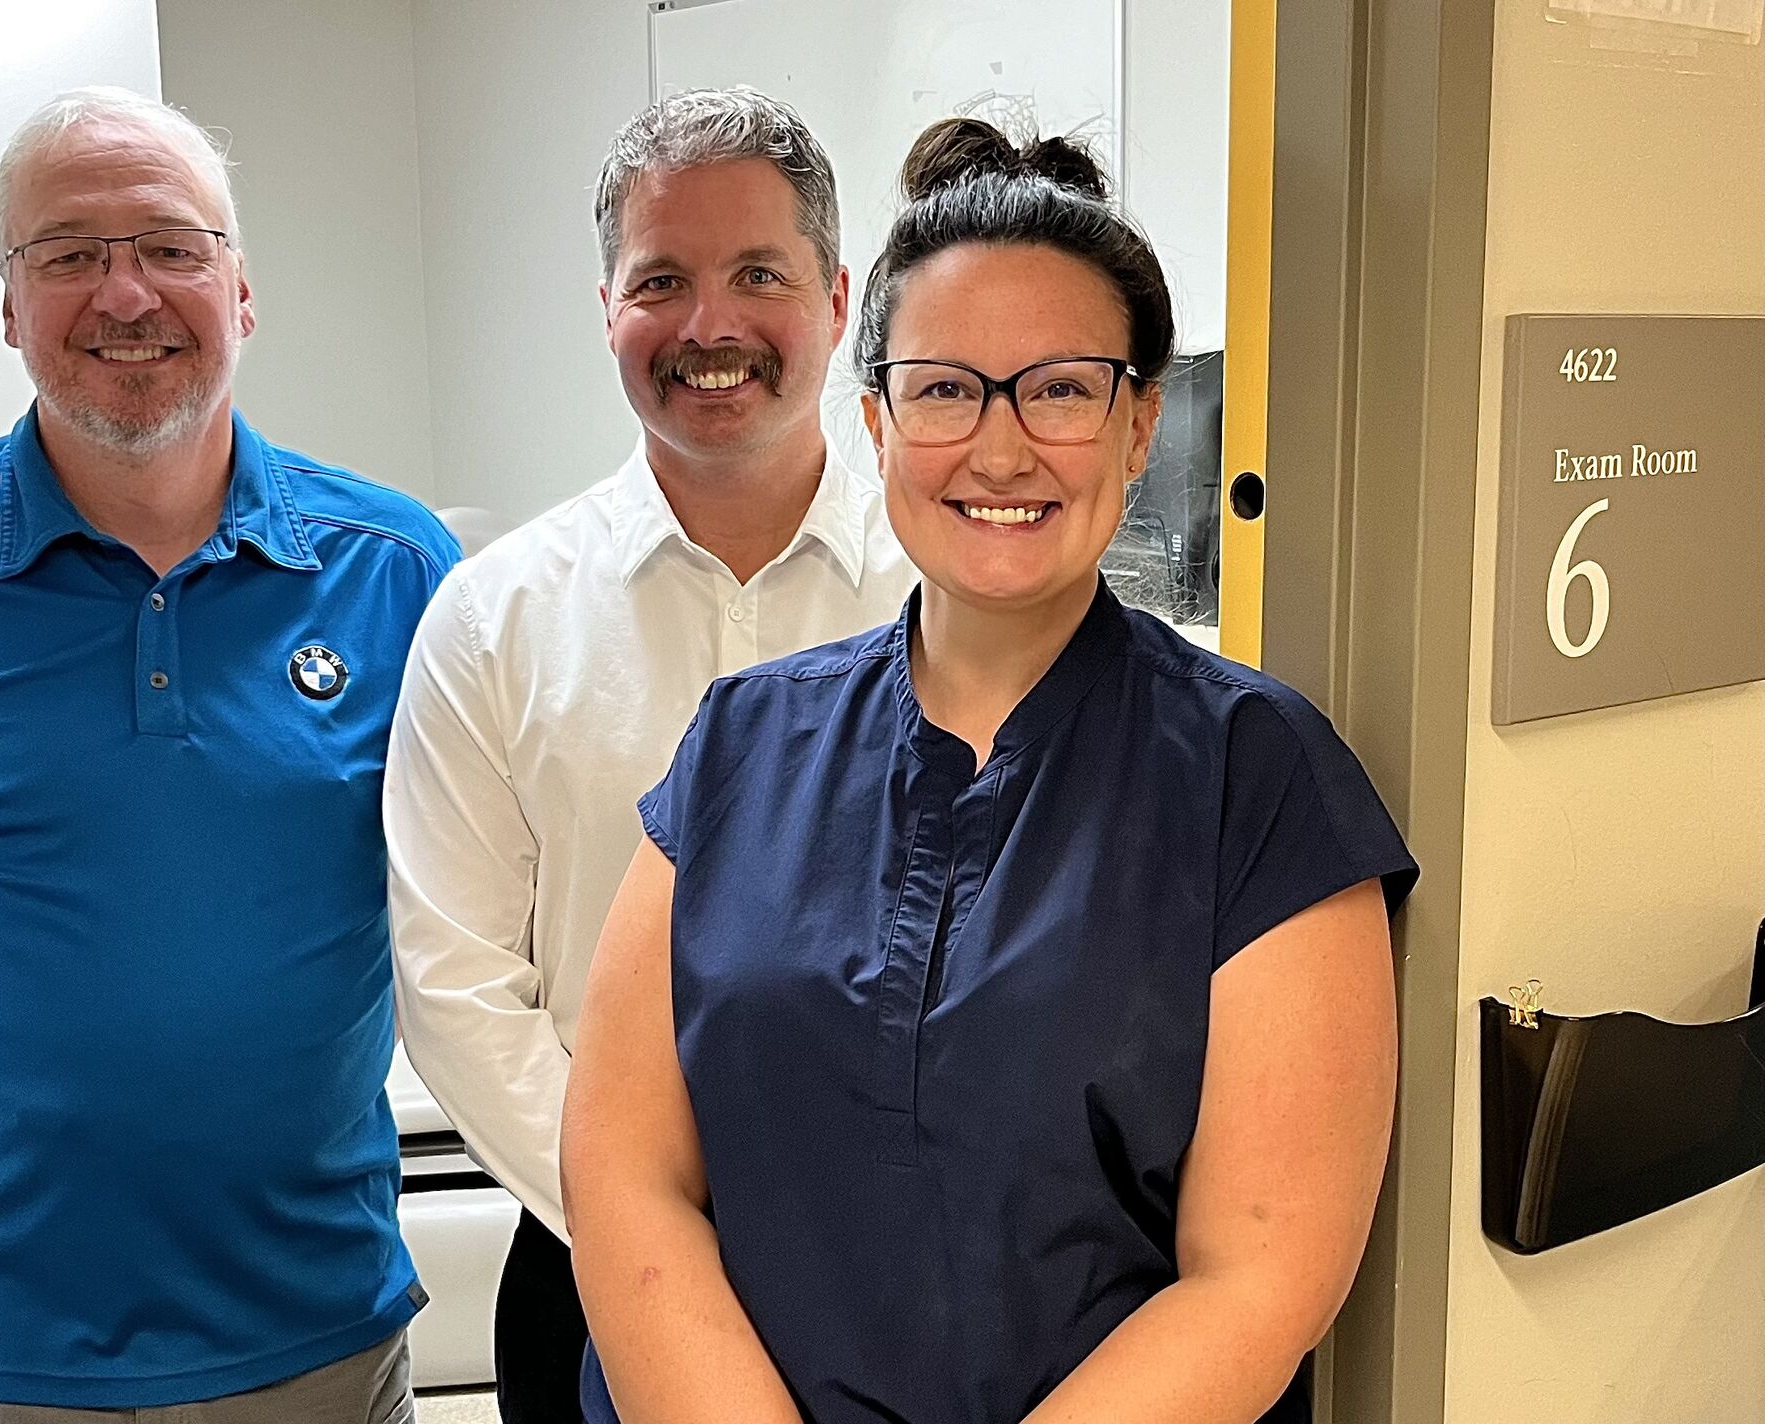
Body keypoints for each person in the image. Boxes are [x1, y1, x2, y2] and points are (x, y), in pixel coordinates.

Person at [563, 116, 1418, 1424]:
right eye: (947, 388)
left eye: (1064, 388)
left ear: (1141, 425)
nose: (1002, 449)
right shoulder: (740, 746)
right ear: (879, 423)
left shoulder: (1257, 778)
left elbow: (1259, 1274)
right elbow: (626, 1176)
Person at [0, 87, 455, 1422]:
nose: (126, 293)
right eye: (68, 254)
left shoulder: (406, 574)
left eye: (172, 247)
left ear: (241, 291)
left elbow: (466, 904)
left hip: (308, 1316)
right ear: (9, 305)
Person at [383, 87, 915, 1421]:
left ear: (840, 301)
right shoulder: (495, 618)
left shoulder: (952, 596)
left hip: (911, 1268)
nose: (711, 326)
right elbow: (454, 984)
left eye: (758, 275)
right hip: (586, 1268)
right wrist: (643, 1221)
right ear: (605, 308)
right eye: (661, 280)